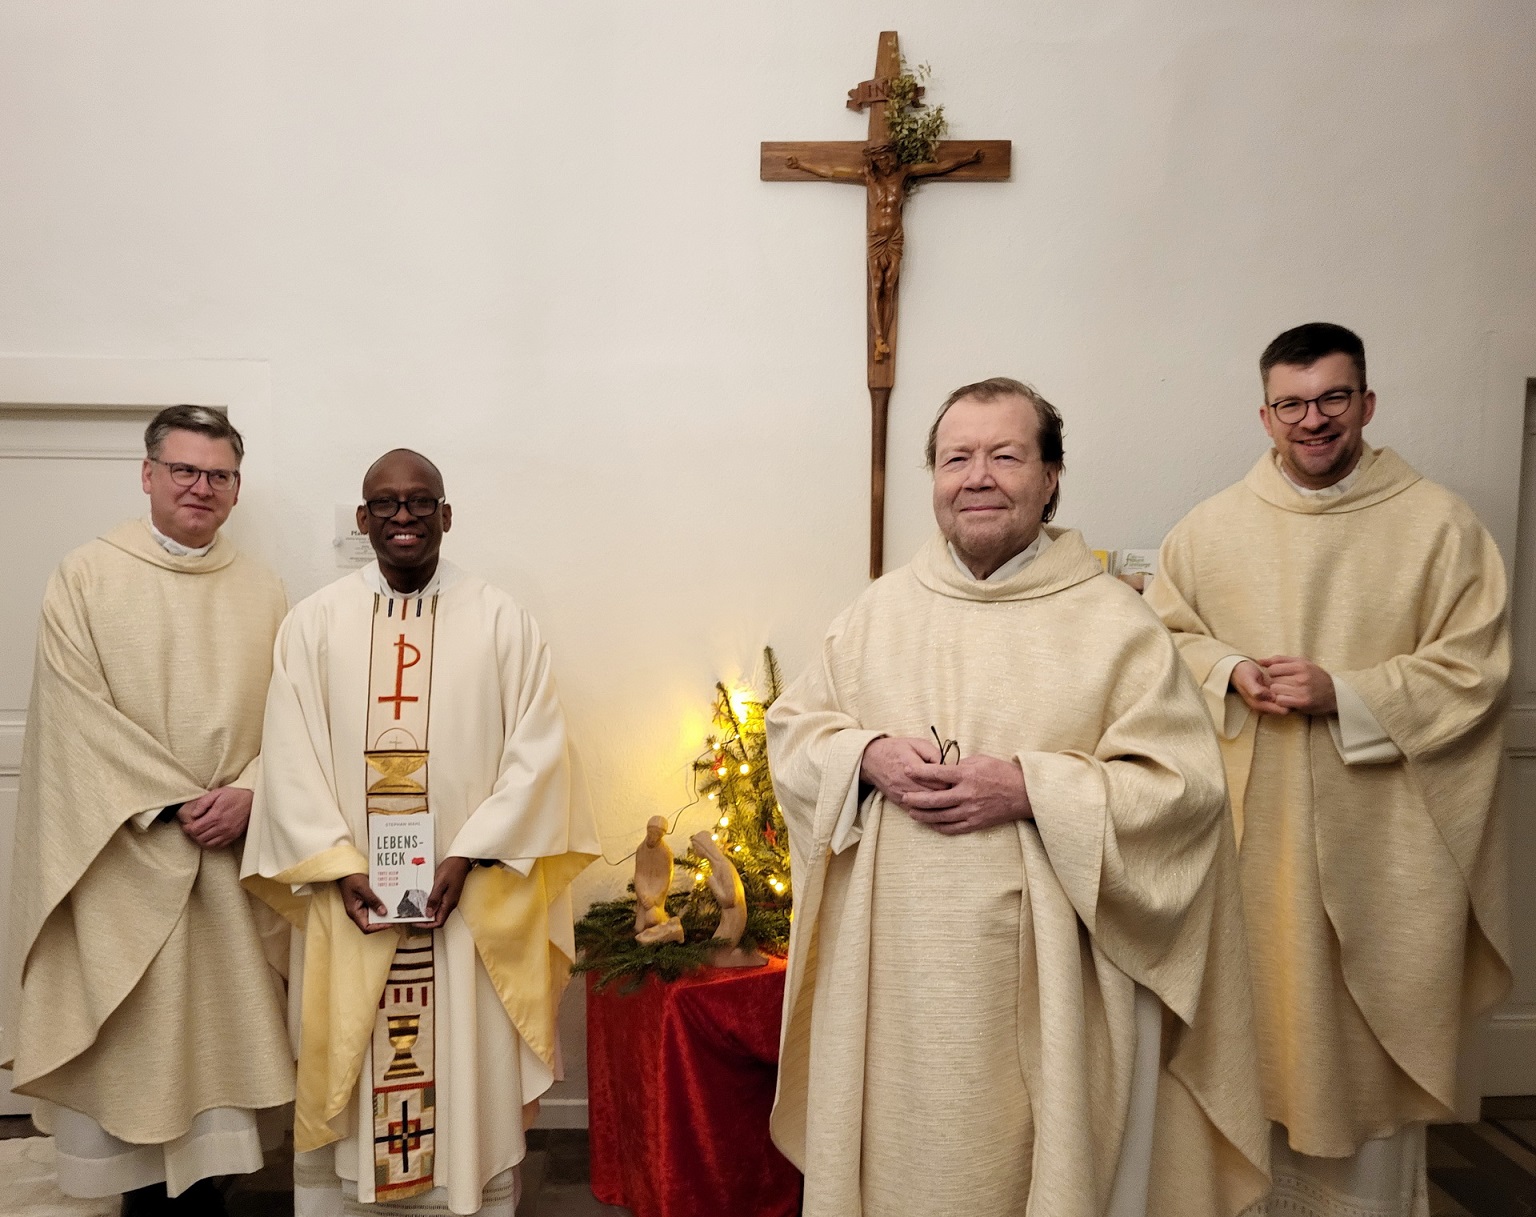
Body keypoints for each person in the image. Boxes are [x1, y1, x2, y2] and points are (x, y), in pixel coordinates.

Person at [766, 377, 1269, 1217]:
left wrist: (1034, 786)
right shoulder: (877, 612)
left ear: (1052, 476)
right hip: (894, 984)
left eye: (1005, 455)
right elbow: (795, 733)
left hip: (1051, 986)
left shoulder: (1117, 623)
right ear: (932, 477)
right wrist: (868, 755)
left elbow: (1182, 793)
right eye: (957, 457)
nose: (978, 476)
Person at [1146, 323, 1511, 1216]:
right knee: (1254, 1032)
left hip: (1384, 848)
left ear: (1367, 404)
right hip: (1251, 848)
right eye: (1293, 404)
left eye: (1334, 398)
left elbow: (1476, 669)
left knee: (1359, 1051)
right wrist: (1230, 669)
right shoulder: (1209, 529)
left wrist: (1345, 691)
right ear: (1265, 415)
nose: (1314, 420)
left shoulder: (1439, 526)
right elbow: (1159, 639)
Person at [244, 449, 598, 1217]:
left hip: (462, 904)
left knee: (462, 1073)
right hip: (356, 900)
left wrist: (467, 854)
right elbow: (289, 754)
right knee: (352, 1057)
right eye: (386, 504)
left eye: (420, 502)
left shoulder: (503, 619)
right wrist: (338, 866)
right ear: (364, 517)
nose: (403, 517)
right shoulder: (315, 623)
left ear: (446, 514)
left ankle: (463, 1193)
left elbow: (538, 753)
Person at [3, 405, 294, 1215]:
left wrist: (253, 791)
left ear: (238, 488)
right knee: (133, 1065)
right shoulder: (87, 575)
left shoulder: (263, 588)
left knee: (222, 1074)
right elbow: (73, 716)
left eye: (220, 475)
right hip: (122, 854)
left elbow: (298, 717)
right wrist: (170, 801)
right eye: (184, 470)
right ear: (148, 474)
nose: (201, 488)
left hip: (229, 860)